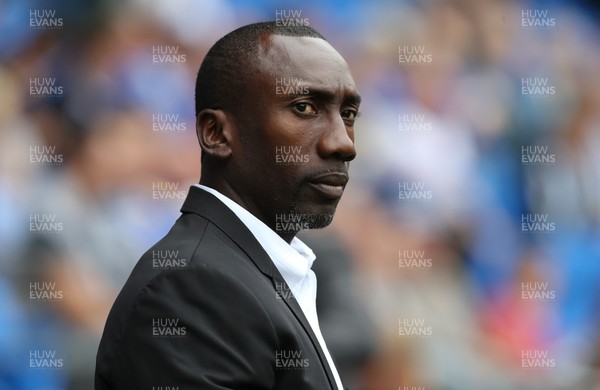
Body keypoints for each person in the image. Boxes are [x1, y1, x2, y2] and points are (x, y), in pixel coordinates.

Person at [95, 21, 361, 389]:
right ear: (216, 134)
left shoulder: (252, 270)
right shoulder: (191, 287)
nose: (343, 143)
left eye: (348, 113)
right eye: (304, 107)